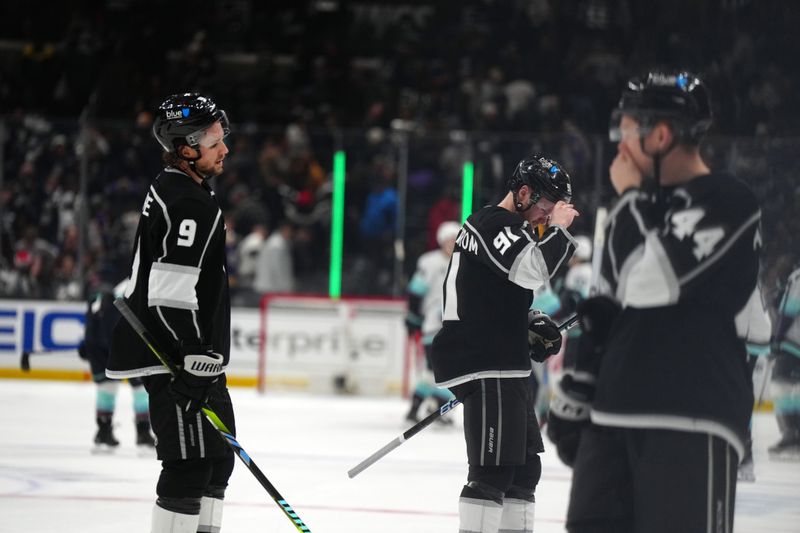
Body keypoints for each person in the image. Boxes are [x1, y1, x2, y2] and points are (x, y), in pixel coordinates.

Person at [547, 70, 763, 533]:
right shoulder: (634, 207)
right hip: (611, 416)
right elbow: (605, 305)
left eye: (626, 131)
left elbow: (648, 284)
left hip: (691, 418)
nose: (619, 145)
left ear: (660, 134)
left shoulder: (728, 200)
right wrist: (579, 386)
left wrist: (628, 197)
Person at [107, 93, 236, 533]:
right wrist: (191, 354)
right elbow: (169, 290)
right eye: (215, 140)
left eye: (223, 137)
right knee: (190, 466)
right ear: (186, 148)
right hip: (174, 355)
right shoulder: (189, 203)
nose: (224, 148)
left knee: (217, 461)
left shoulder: (182, 188)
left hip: (190, 354)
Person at [430, 155, 579, 533]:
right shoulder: (493, 221)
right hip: (485, 361)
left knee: (525, 470)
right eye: (546, 206)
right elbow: (532, 271)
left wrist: (526, 325)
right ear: (524, 192)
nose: (548, 216)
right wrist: (560, 229)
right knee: (492, 472)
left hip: (501, 360)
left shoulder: (512, 229)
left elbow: (491, 295)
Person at [81, 279, 156, 452]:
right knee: (139, 388)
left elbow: (93, 326)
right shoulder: (133, 288)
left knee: (107, 388)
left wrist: (86, 345)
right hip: (119, 342)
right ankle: (142, 432)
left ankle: (104, 430)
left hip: (100, 345)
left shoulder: (110, 293)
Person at [404, 220, 461, 424]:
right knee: (433, 370)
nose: (452, 243)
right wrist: (412, 318)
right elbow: (415, 292)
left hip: (456, 328)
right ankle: (419, 407)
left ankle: (432, 409)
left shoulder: (465, 263)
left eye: (455, 239)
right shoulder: (429, 262)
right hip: (433, 326)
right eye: (448, 240)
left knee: (449, 371)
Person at [769, 264, 800, 460]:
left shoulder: (798, 277)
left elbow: (789, 309)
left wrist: (776, 339)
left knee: (781, 385)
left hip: (793, 343)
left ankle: (791, 435)